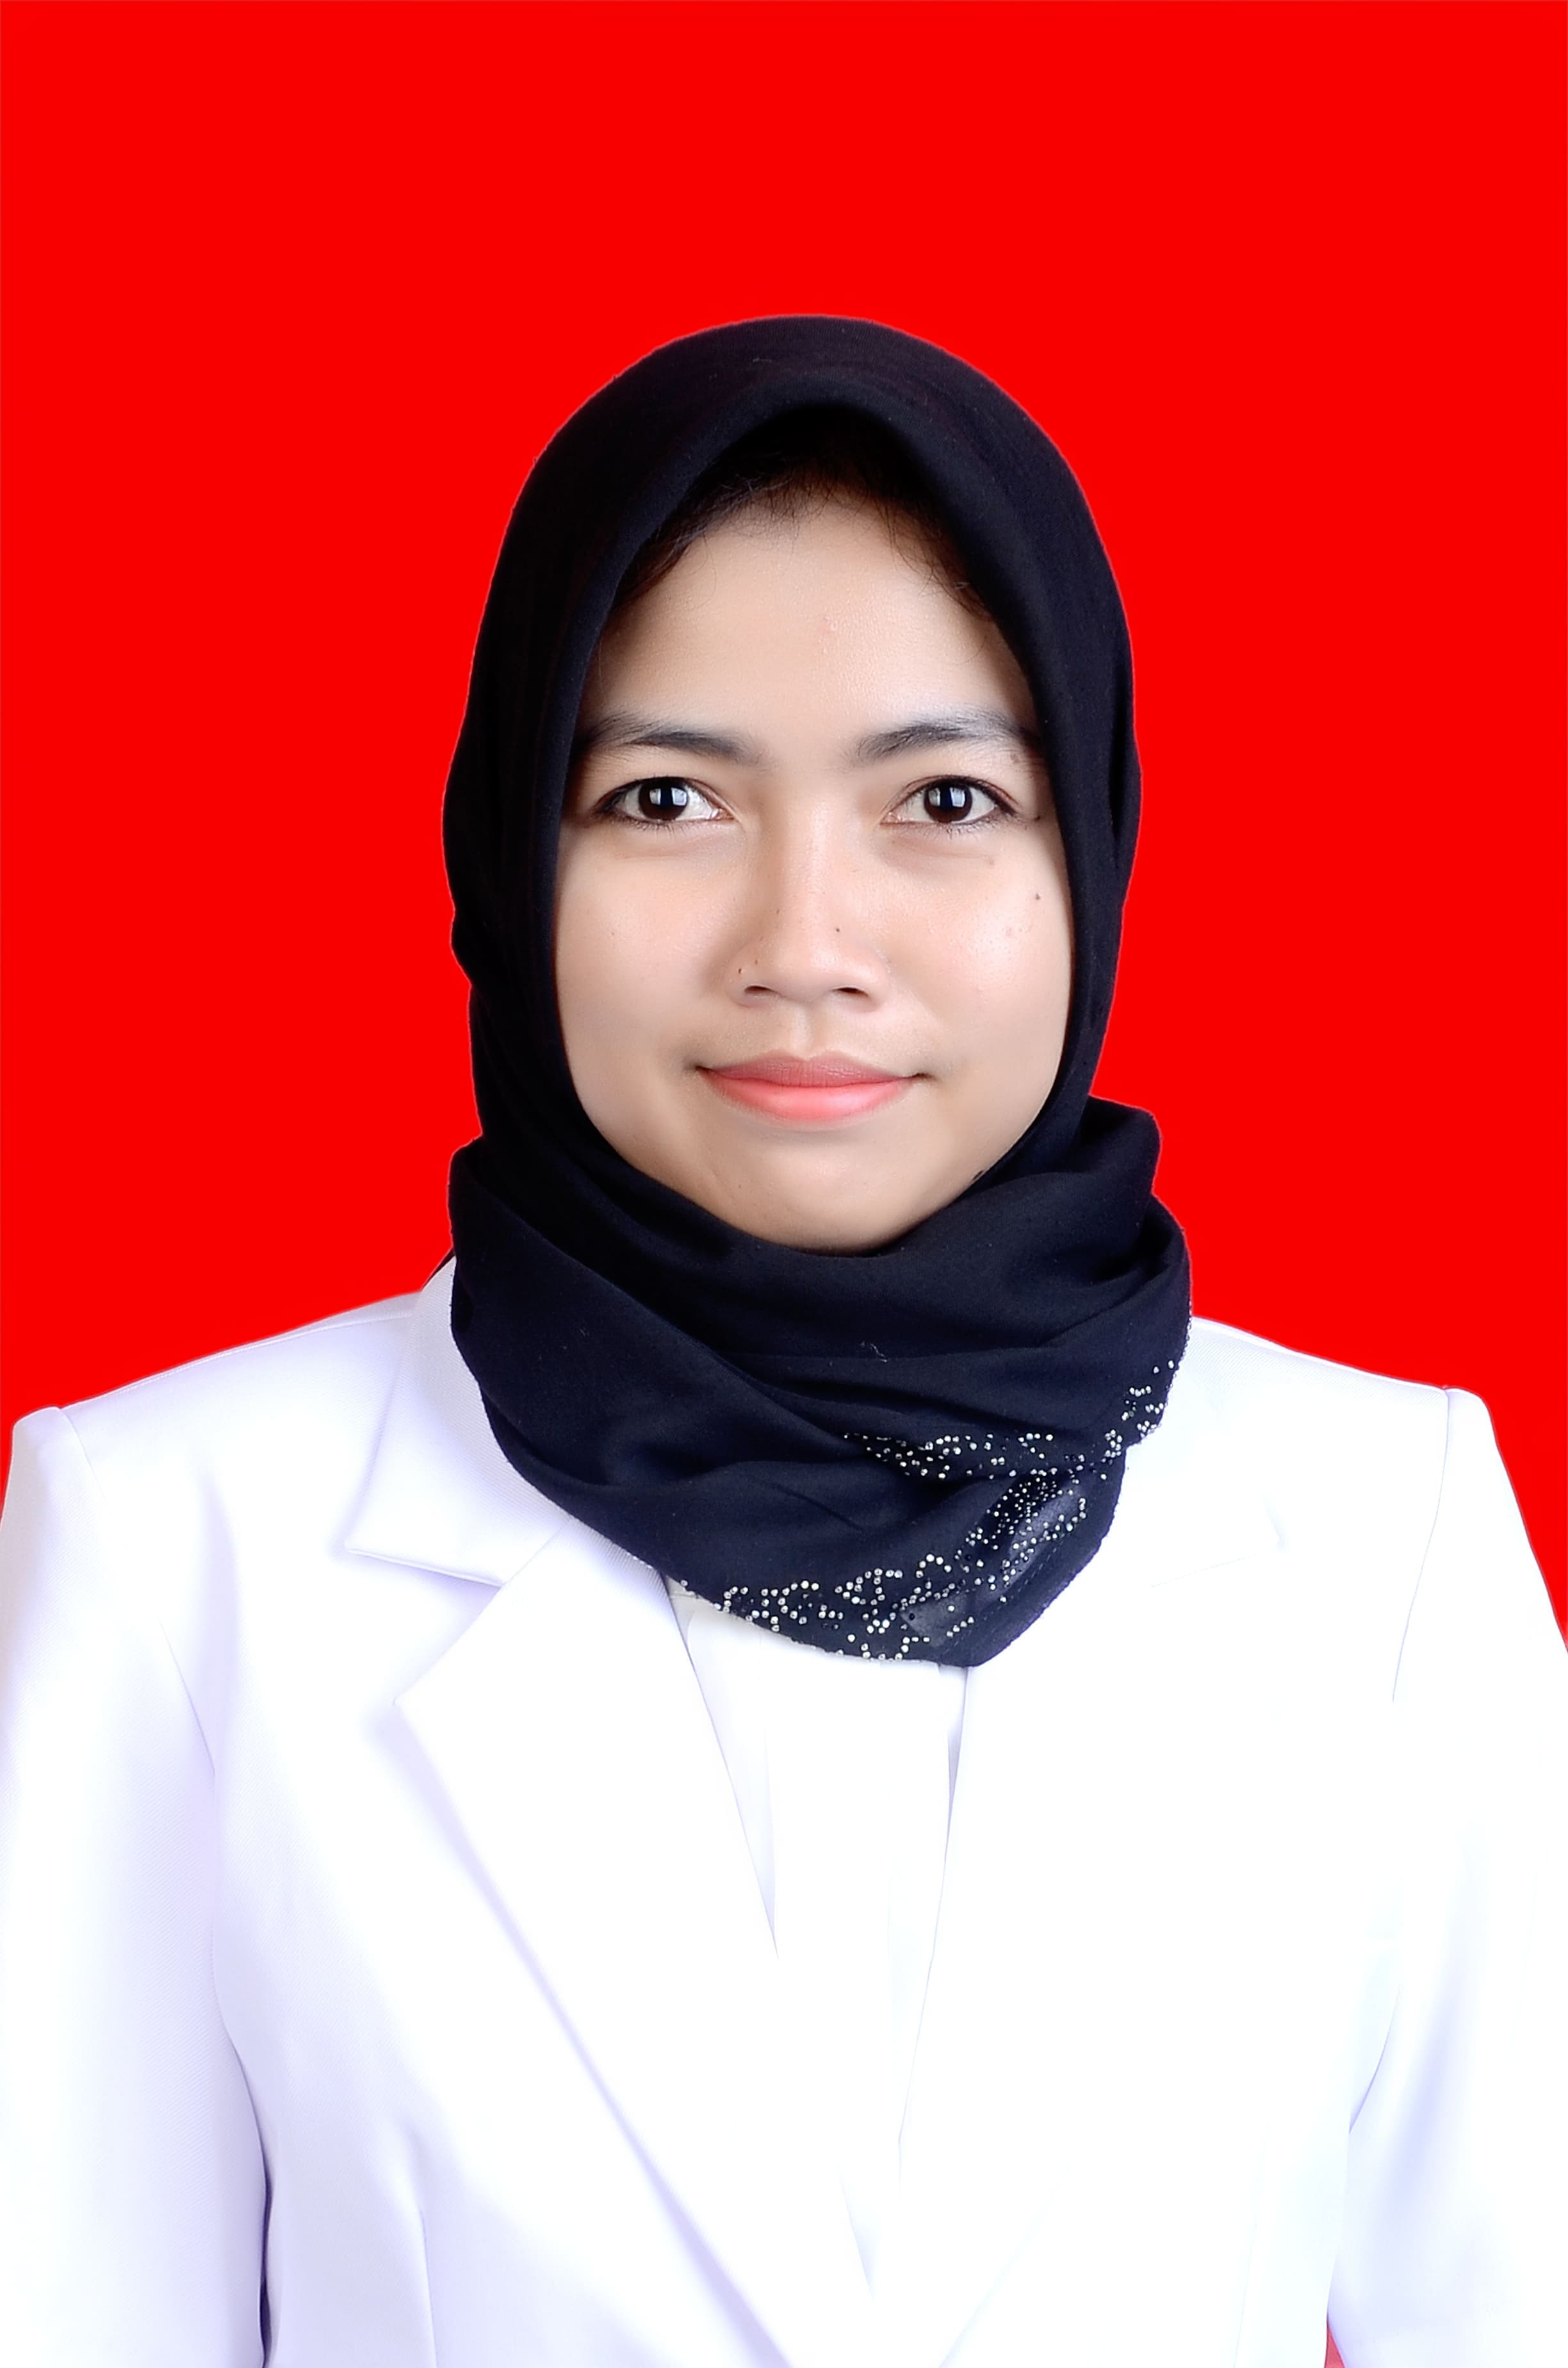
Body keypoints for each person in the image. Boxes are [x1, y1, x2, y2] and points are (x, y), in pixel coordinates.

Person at [0, 317, 1562, 2368]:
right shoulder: (176, 1539)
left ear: (1088, 847)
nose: (804, 945)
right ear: (508, 853)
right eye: (664, 798)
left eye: (945, 799)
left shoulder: (1382, 1529)